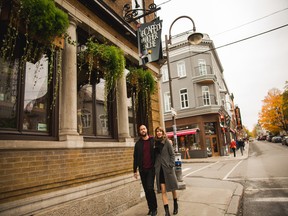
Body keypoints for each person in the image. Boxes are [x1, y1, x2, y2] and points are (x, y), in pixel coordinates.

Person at [133, 125, 158, 216]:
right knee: (146, 190)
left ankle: (154, 208)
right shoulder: (138, 144)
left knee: (150, 188)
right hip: (142, 170)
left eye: (144, 129)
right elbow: (135, 157)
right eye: (141, 129)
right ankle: (150, 208)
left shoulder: (153, 141)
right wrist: (134, 170)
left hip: (151, 169)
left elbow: (160, 147)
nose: (143, 130)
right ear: (140, 132)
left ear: (146, 130)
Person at [154, 127, 179, 216]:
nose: (159, 133)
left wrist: (171, 165)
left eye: (160, 131)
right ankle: (167, 212)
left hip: (168, 169)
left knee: (172, 188)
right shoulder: (155, 143)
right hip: (159, 170)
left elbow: (172, 155)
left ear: (163, 132)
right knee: (163, 191)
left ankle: (175, 204)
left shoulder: (167, 142)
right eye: (157, 131)